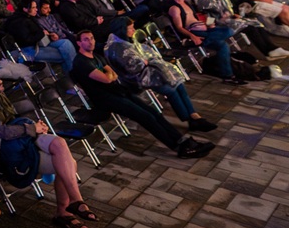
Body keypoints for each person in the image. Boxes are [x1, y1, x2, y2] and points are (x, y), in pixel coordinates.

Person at [0, 69, 96, 228]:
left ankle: (76, 201)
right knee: (69, 164)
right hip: (8, 153)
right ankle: (64, 212)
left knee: (60, 143)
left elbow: (13, 121)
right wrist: (31, 128)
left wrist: (37, 127)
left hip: (21, 140)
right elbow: (3, 133)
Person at [70, 31, 210, 159]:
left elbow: (112, 73)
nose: (91, 42)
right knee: (146, 117)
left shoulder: (96, 57)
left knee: (154, 112)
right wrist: (109, 75)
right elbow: (107, 78)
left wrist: (109, 75)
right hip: (105, 99)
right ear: (79, 43)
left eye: (92, 38)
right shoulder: (81, 62)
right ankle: (177, 147)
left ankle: (181, 141)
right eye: (86, 40)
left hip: (116, 91)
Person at [102, 17, 218, 132]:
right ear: (122, 30)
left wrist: (148, 59)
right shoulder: (117, 47)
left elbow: (144, 51)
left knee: (178, 83)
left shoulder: (125, 40)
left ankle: (194, 116)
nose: (134, 30)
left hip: (149, 70)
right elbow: (132, 67)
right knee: (171, 90)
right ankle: (190, 120)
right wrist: (144, 61)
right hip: (138, 77)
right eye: (130, 28)